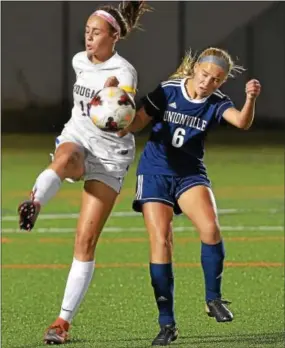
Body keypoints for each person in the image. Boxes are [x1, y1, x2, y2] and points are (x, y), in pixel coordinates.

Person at [17, 1, 151, 345]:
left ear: (114, 36)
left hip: (109, 157)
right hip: (78, 140)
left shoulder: (124, 72)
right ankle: (34, 203)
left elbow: (123, 124)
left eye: (96, 33)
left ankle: (61, 323)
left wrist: (116, 105)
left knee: (85, 240)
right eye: (87, 32)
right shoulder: (79, 61)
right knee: (63, 159)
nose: (88, 38)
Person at [118, 47, 261, 346]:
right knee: (161, 241)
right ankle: (167, 323)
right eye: (206, 75)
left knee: (210, 229)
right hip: (155, 173)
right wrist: (115, 117)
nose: (208, 82)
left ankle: (213, 299)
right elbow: (137, 123)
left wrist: (250, 99)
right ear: (195, 69)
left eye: (216, 80)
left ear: (222, 83)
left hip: (190, 173)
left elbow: (242, 122)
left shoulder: (217, 102)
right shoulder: (168, 91)